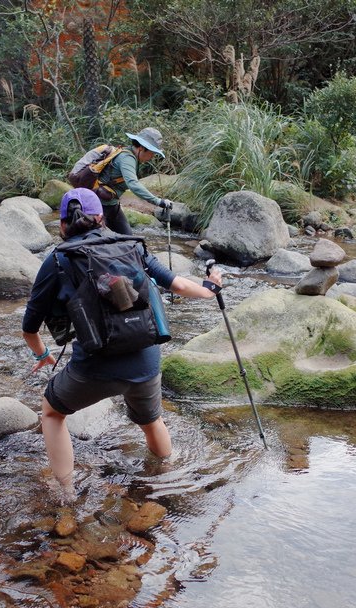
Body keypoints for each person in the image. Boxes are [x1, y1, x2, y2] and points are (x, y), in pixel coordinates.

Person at [21, 188, 222, 498]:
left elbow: (29, 327)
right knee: (152, 419)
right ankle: (168, 476)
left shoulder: (58, 261)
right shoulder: (133, 247)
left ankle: (66, 491)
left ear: (62, 225)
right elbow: (179, 284)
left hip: (95, 369)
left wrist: (44, 353)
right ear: (102, 218)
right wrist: (211, 288)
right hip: (145, 361)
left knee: (51, 411)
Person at [90, 127, 173, 235]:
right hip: (100, 205)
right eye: (152, 153)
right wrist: (157, 201)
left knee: (128, 239)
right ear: (142, 148)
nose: (152, 156)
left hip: (112, 205)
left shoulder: (130, 156)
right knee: (96, 239)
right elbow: (133, 184)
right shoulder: (127, 158)